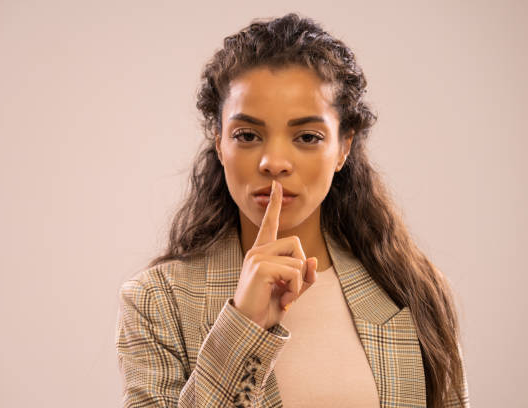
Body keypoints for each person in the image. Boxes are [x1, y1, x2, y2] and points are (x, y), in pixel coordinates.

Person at [115, 12, 470, 408]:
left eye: (307, 137)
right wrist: (243, 324)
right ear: (219, 144)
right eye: (247, 135)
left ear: (344, 147)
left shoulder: (412, 288)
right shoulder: (157, 301)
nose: (274, 161)